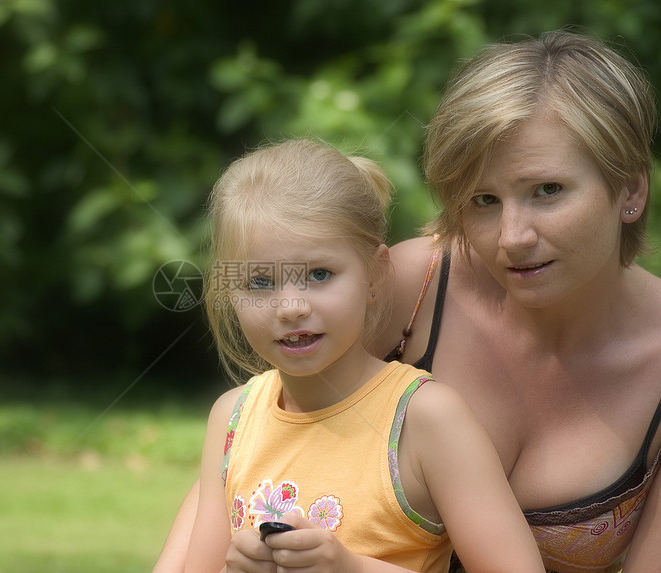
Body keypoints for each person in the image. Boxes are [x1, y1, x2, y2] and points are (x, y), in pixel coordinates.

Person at [153, 30, 661, 573]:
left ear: (630, 191)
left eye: (548, 191)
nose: (512, 236)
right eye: (484, 200)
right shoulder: (409, 287)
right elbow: (255, 453)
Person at [183, 138, 544, 572]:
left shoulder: (424, 418)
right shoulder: (232, 419)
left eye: (319, 274)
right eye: (260, 282)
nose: (290, 307)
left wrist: (350, 568)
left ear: (375, 274)